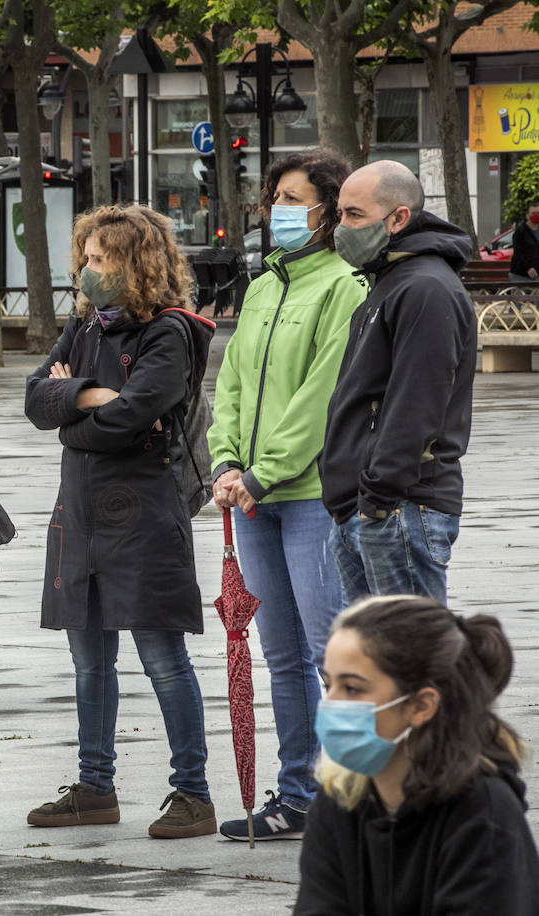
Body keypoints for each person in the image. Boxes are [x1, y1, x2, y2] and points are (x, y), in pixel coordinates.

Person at [23, 205, 216, 839]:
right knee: (89, 662)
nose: (87, 269)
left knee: (163, 658)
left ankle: (193, 793)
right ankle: (93, 786)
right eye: (86, 255)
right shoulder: (84, 327)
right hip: (79, 515)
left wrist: (71, 403)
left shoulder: (170, 331)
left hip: (144, 514)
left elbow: (139, 412)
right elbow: (33, 399)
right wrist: (89, 396)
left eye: (99, 258)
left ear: (134, 263)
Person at [206, 150, 366, 841]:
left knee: (333, 650)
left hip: (307, 497)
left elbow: (324, 394)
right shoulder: (264, 287)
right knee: (279, 654)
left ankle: (354, 793)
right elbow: (233, 383)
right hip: (253, 499)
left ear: (329, 211)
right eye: (274, 198)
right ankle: (298, 794)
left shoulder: (345, 286)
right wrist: (227, 461)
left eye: (293, 199)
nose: (279, 211)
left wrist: (263, 472)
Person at [295, 596, 539, 914]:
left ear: (421, 705)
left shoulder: (483, 814)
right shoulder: (342, 797)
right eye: (328, 685)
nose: (331, 703)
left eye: (353, 689)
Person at [320, 160, 475, 604]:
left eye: (353, 215)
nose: (340, 227)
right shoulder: (390, 282)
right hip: (370, 508)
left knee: (413, 662)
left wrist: (377, 498)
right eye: (339, 214)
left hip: (399, 507)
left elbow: (416, 404)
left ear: (398, 218)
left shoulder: (424, 287)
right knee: (381, 664)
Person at [507, 201, 539, 282]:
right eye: (533, 213)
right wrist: (528, 268)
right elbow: (518, 253)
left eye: (538, 213)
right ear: (527, 215)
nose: (536, 215)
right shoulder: (520, 231)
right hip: (520, 276)